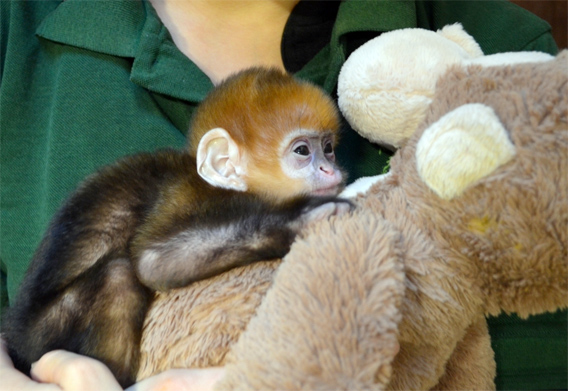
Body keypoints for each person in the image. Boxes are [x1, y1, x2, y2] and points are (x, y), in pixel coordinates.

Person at [1, 0, 565, 390]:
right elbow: (157, 259)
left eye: (328, 150)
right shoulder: (16, 30)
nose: (331, 173)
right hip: (68, 324)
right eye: (304, 155)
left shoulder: (511, 57)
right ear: (223, 163)